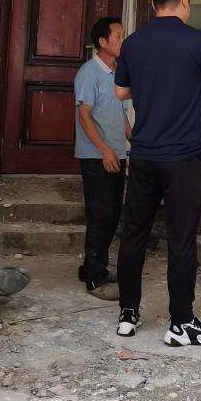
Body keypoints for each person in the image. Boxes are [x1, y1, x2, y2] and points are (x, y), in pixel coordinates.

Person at [113, 0, 201, 346]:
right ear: (185, 2)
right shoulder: (198, 41)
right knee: (181, 239)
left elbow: (120, 92)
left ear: (153, 4)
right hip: (182, 158)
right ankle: (181, 322)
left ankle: (128, 313)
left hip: (144, 155)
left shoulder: (133, 43)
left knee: (134, 233)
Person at [73, 16, 131, 301]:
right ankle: (95, 280)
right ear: (103, 42)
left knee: (111, 215)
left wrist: (134, 139)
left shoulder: (117, 72)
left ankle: (91, 268)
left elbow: (121, 114)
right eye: (118, 36)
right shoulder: (89, 73)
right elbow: (84, 116)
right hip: (97, 157)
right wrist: (105, 150)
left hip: (117, 154)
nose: (122, 41)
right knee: (101, 215)